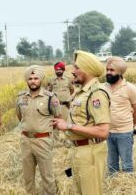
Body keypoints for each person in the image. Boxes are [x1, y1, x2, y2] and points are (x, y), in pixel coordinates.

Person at [52, 50, 110, 195]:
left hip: (90, 152)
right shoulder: (82, 92)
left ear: (88, 69)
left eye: (77, 67)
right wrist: (63, 123)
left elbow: (103, 132)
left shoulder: (96, 93)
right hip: (78, 151)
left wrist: (68, 126)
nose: (72, 71)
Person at [16, 65, 61, 194]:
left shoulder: (50, 97)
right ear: (27, 80)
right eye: (30, 78)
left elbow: (58, 117)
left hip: (43, 141)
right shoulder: (21, 97)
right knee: (28, 176)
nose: (33, 81)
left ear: (40, 80)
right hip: (26, 141)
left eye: (36, 78)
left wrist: (50, 136)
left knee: (47, 176)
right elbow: (20, 116)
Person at [104, 57, 136, 175]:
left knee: (127, 164)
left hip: (125, 132)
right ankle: (113, 188)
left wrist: (132, 126)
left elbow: (135, 110)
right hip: (108, 132)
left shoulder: (130, 88)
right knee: (112, 165)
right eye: (107, 69)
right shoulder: (103, 88)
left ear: (120, 72)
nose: (108, 72)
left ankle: (127, 187)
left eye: (112, 70)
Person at [47, 61, 74, 144]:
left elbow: (72, 90)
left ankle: (67, 140)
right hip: (55, 105)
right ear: (55, 70)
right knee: (55, 122)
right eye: (57, 69)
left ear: (63, 70)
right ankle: (56, 141)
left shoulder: (68, 80)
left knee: (67, 122)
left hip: (65, 105)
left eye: (60, 69)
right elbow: (48, 92)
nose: (58, 71)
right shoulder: (51, 80)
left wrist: (68, 99)